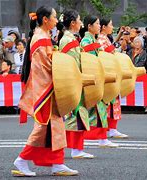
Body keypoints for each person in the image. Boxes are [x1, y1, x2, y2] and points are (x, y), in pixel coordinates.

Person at [12, 6, 78, 177]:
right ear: (45, 19)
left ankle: (57, 163)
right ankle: (21, 160)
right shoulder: (40, 38)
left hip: (48, 89)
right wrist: (63, 75)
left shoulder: (43, 36)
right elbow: (45, 68)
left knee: (55, 127)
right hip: (45, 90)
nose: (57, 20)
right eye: (55, 17)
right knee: (42, 128)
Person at [59, 10, 94, 159]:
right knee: (77, 115)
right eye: (79, 20)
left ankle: (76, 148)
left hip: (74, 80)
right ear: (73, 23)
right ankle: (76, 150)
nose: (81, 23)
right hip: (74, 81)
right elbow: (72, 64)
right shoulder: (68, 40)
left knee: (77, 115)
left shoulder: (68, 38)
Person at [80, 15, 118, 148]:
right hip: (92, 77)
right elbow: (88, 61)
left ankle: (101, 137)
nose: (98, 26)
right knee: (96, 109)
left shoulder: (93, 39)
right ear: (89, 26)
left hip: (97, 77)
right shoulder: (86, 40)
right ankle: (99, 137)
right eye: (96, 24)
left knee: (99, 108)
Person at [97, 18, 128, 139]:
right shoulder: (101, 39)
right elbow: (108, 54)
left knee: (113, 101)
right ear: (104, 27)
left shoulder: (104, 39)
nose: (112, 26)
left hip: (110, 72)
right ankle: (110, 129)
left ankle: (112, 128)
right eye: (110, 25)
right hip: (108, 73)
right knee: (110, 102)